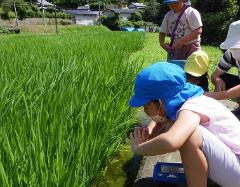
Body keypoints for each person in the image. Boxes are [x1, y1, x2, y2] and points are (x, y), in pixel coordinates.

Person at [129, 62, 240, 187]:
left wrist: (139, 148)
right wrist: (150, 133)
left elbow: (172, 141)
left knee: (189, 137)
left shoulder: (190, 109)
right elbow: (162, 121)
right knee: (177, 129)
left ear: (161, 102)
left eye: (146, 106)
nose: (145, 111)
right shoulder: (191, 98)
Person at [207, 20, 240, 117]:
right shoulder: (230, 54)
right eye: (234, 48)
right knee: (224, 77)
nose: (236, 51)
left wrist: (216, 96)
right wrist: (217, 80)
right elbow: (215, 74)